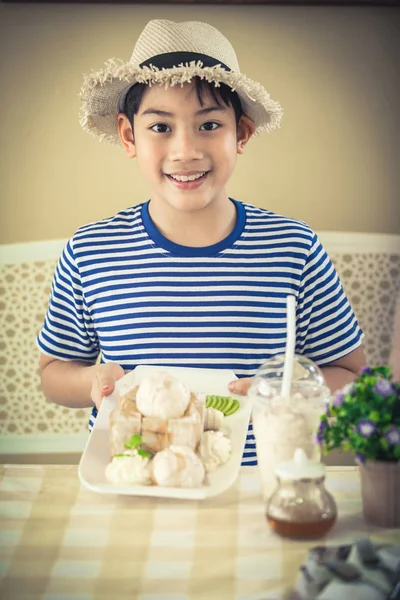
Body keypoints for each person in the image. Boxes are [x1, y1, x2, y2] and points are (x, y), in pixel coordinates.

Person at [37, 19, 367, 465]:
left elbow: (351, 372)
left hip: (256, 490)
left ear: (242, 134)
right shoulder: (90, 250)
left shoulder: (295, 248)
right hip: (135, 485)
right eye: (161, 127)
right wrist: (92, 382)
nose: (185, 150)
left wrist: (283, 390)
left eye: (209, 124)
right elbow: (54, 372)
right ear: (129, 135)